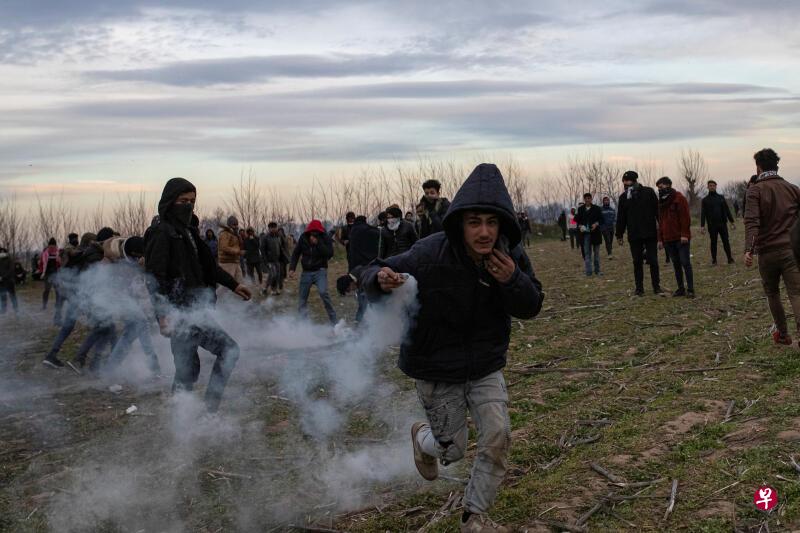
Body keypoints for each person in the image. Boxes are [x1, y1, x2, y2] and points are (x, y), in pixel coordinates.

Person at [359, 164, 543, 533]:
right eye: (475, 222)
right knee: (451, 451)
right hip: (436, 366)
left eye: (492, 222)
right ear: (460, 223)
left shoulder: (509, 255)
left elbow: (532, 305)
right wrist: (380, 280)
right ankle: (421, 436)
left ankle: (473, 517)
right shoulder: (428, 254)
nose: (485, 231)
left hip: (485, 364)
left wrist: (512, 280)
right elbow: (372, 270)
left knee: (497, 436)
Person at [145, 177, 252, 411]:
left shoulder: (191, 232)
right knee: (192, 368)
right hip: (179, 313)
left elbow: (208, 268)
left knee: (195, 367)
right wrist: (162, 314)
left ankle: (199, 413)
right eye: (183, 201)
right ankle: (191, 417)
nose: (188, 206)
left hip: (198, 310)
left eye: (192, 201)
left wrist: (233, 285)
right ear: (169, 201)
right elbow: (154, 277)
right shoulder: (161, 233)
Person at [744, 148, 800, 346]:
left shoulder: (755, 190)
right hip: (791, 250)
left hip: (767, 252)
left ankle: (783, 334)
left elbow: (752, 222)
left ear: (758, 167)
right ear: (777, 166)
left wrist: (748, 250)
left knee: (772, 293)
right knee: (796, 293)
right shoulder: (793, 188)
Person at [42, 230, 109, 369]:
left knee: (68, 327)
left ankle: (52, 355)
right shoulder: (89, 255)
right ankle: (84, 360)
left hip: (73, 294)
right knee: (103, 325)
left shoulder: (77, 254)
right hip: (82, 296)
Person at [103, 236, 161, 375]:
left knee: (127, 337)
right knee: (142, 330)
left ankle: (110, 368)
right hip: (126, 306)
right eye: (138, 256)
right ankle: (155, 368)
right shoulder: (124, 267)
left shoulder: (127, 265)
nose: (140, 258)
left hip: (129, 306)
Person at [616, 170, 663, 296]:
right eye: (624, 182)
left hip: (650, 233)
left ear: (635, 181)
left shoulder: (648, 192)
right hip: (634, 234)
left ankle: (656, 286)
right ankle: (639, 288)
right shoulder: (623, 197)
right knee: (637, 262)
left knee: (653, 260)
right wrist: (619, 234)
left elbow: (657, 212)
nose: (625, 184)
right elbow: (621, 217)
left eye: (628, 181)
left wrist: (662, 230)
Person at [289, 220, 337, 325]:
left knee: (324, 293)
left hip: (320, 271)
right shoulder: (303, 238)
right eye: (311, 231)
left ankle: (335, 323)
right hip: (306, 272)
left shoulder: (325, 238)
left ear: (320, 231)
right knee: (302, 300)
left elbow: (329, 254)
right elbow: (296, 253)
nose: (313, 234)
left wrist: (318, 243)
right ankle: (303, 325)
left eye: (316, 232)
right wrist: (292, 268)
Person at [656, 177, 694, 297]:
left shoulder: (679, 198)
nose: (660, 190)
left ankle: (691, 289)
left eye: (661, 187)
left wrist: (684, 235)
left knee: (685, 263)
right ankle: (681, 289)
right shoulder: (661, 202)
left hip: (680, 239)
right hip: (668, 239)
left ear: (668, 185)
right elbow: (660, 222)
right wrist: (660, 239)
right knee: (676, 265)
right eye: (658, 188)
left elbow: (685, 218)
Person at [346, 215, 388, 323]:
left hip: (356, 267)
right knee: (369, 293)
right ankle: (369, 319)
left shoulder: (353, 231)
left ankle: (361, 319)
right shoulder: (371, 230)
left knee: (362, 294)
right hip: (370, 265)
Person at [701, 180, 736, 265]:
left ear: (716, 186)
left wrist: (731, 221)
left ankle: (730, 258)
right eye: (710, 185)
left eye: (713, 185)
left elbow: (727, 210)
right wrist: (702, 226)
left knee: (726, 241)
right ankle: (714, 260)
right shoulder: (705, 200)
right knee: (713, 242)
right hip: (712, 225)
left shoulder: (721, 197)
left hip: (722, 224)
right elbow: (703, 213)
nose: (712, 187)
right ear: (708, 187)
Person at [575, 193, 603, 276]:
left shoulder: (597, 208)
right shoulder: (580, 209)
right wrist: (580, 226)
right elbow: (576, 220)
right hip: (585, 234)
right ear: (584, 199)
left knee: (596, 254)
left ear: (591, 199)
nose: (587, 200)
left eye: (589, 198)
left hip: (596, 234)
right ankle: (588, 272)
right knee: (587, 254)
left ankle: (597, 271)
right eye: (586, 198)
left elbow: (602, 220)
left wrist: (596, 224)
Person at [261, 222, 288, 295]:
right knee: (273, 274)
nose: (273, 229)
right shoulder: (265, 237)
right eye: (271, 227)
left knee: (277, 275)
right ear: (269, 228)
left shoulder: (278, 236)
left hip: (278, 260)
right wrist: (266, 261)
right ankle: (269, 289)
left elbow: (282, 247)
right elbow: (262, 250)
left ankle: (270, 289)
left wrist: (284, 257)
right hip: (269, 260)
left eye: (275, 227)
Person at [218, 216, 244, 286]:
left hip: (235, 262)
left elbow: (239, 247)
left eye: (237, 224)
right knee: (226, 286)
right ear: (229, 225)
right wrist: (237, 251)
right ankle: (220, 297)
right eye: (234, 224)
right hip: (227, 263)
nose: (236, 226)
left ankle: (240, 297)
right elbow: (224, 247)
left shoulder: (235, 235)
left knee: (239, 284)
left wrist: (239, 237)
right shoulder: (224, 234)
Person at [40, 238, 62, 317]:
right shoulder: (45, 252)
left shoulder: (58, 252)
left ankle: (58, 305)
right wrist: (42, 272)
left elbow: (60, 263)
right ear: (49, 245)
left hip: (56, 274)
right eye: (51, 245)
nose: (52, 246)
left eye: (54, 245)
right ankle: (44, 305)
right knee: (46, 290)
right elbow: (42, 263)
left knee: (58, 290)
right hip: (47, 274)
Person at [0, 247, 19, 315]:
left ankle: (16, 309)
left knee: (12, 295)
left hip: (9, 281)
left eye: (2, 251)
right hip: (1, 282)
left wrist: (3, 277)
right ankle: (3, 310)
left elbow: (11, 270)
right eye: (0, 252)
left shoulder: (9, 260)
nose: (1, 253)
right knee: (2, 296)